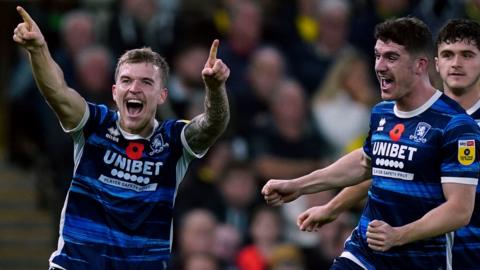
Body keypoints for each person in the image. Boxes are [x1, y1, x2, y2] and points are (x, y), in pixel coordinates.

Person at [13, 5, 230, 270]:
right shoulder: (95, 123)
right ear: (115, 91)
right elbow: (57, 92)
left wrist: (216, 89)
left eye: (146, 83)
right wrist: (38, 49)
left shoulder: (173, 139)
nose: (134, 89)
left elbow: (212, 124)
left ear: (162, 96)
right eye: (127, 81)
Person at [262, 17, 480, 269]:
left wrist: (399, 234)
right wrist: (323, 200)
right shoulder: (386, 112)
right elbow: (378, 164)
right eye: (448, 55)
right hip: (376, 245)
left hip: (451, 249)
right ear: (435, 63)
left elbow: (458, 208)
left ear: (419, 66)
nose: (456, 64)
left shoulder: (459, 127)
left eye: (467, 55)